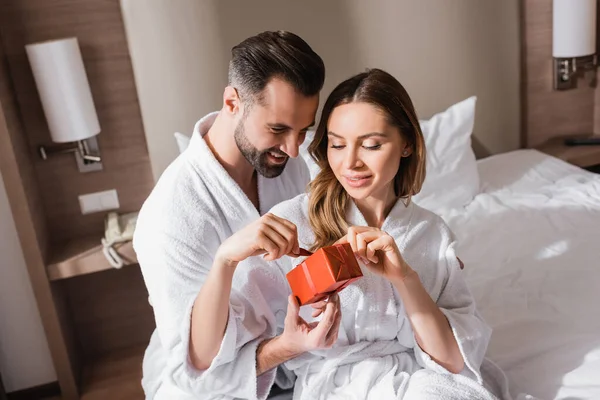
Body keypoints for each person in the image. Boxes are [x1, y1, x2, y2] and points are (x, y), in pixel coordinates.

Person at [193, 69, 497, 399]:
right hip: (336, 388)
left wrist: (405, 279)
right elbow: (210, 359)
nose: (350, 162)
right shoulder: (293, 224)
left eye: (371, 145)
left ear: (407, 143)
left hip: (424, 382)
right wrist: (225, 259)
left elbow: (453, 361)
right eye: (338, 145)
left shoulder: (431, 232)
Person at [133, 30, 327, 399]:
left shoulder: (287, 166)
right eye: (278, 129)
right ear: (232, 101)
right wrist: (226, 259)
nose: (293, 148)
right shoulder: (169, 215)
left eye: (302, 131)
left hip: (295, 360)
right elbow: (200, 365)